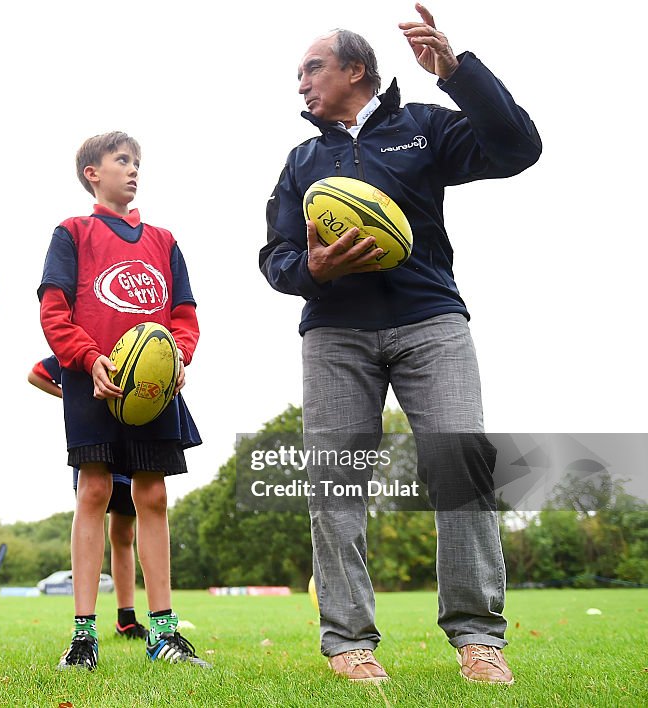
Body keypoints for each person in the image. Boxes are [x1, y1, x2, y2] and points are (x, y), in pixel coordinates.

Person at [259, 5, 541, 686]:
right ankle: (349, 643)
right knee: (335, 484)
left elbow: (517, 149)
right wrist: (312, 270)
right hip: (334, 335)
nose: (300, 83)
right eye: (298, 73)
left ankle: (478, 639)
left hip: (431, 323)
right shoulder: (302, 161)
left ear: (356, 69)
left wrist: (458, 73)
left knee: (462, 467)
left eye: (312, 68)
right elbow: (276, 258)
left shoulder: (423, 128)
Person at [39, 131, 207, 670]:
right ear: (93, 172)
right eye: (122, 161)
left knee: (152, 497)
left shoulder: (163, 240)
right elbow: (53, 310)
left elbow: (184, 315)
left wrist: (178, 356)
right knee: (92, 493)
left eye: (137, 162)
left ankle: (164, 634)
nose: (133, 170)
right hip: (95, 380)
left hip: (152, 389)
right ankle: (83, 636)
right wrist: (90, 360)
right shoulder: (72, 232)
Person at [28, 355, 149, 641]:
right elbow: (35, 375)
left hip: (129, 435)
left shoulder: (133, 346)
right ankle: (85, 624)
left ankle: (126, 618)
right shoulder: (78, 351)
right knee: (92, 508)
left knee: (124, 532)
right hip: (93, 438)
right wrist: (70, 397)